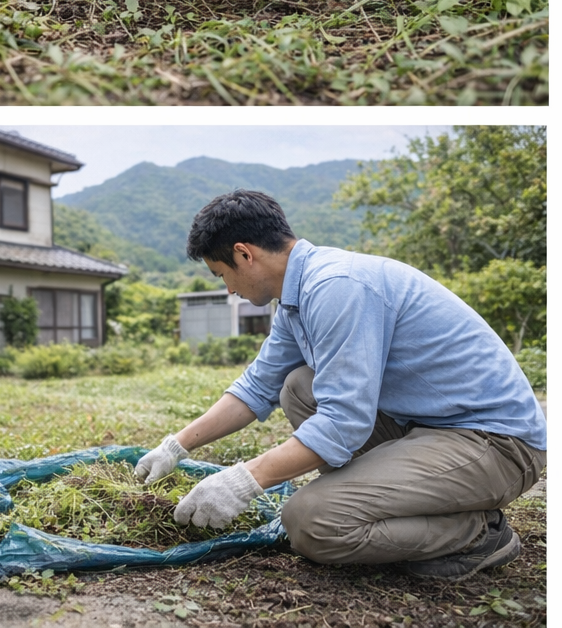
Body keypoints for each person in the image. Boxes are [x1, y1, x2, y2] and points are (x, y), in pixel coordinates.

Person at [135, 190, 545, 581]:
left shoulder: (336, 286)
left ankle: (478, 533)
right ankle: (375, 498)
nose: (228, 289)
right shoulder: (296, 297)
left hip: (495, 443)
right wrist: (178, 445)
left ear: (245, 254)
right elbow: (257, 386)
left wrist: (244, 479)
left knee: (311, 522)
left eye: (223, 274)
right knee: (299, 386)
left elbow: (343, 421)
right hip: (429, 428)